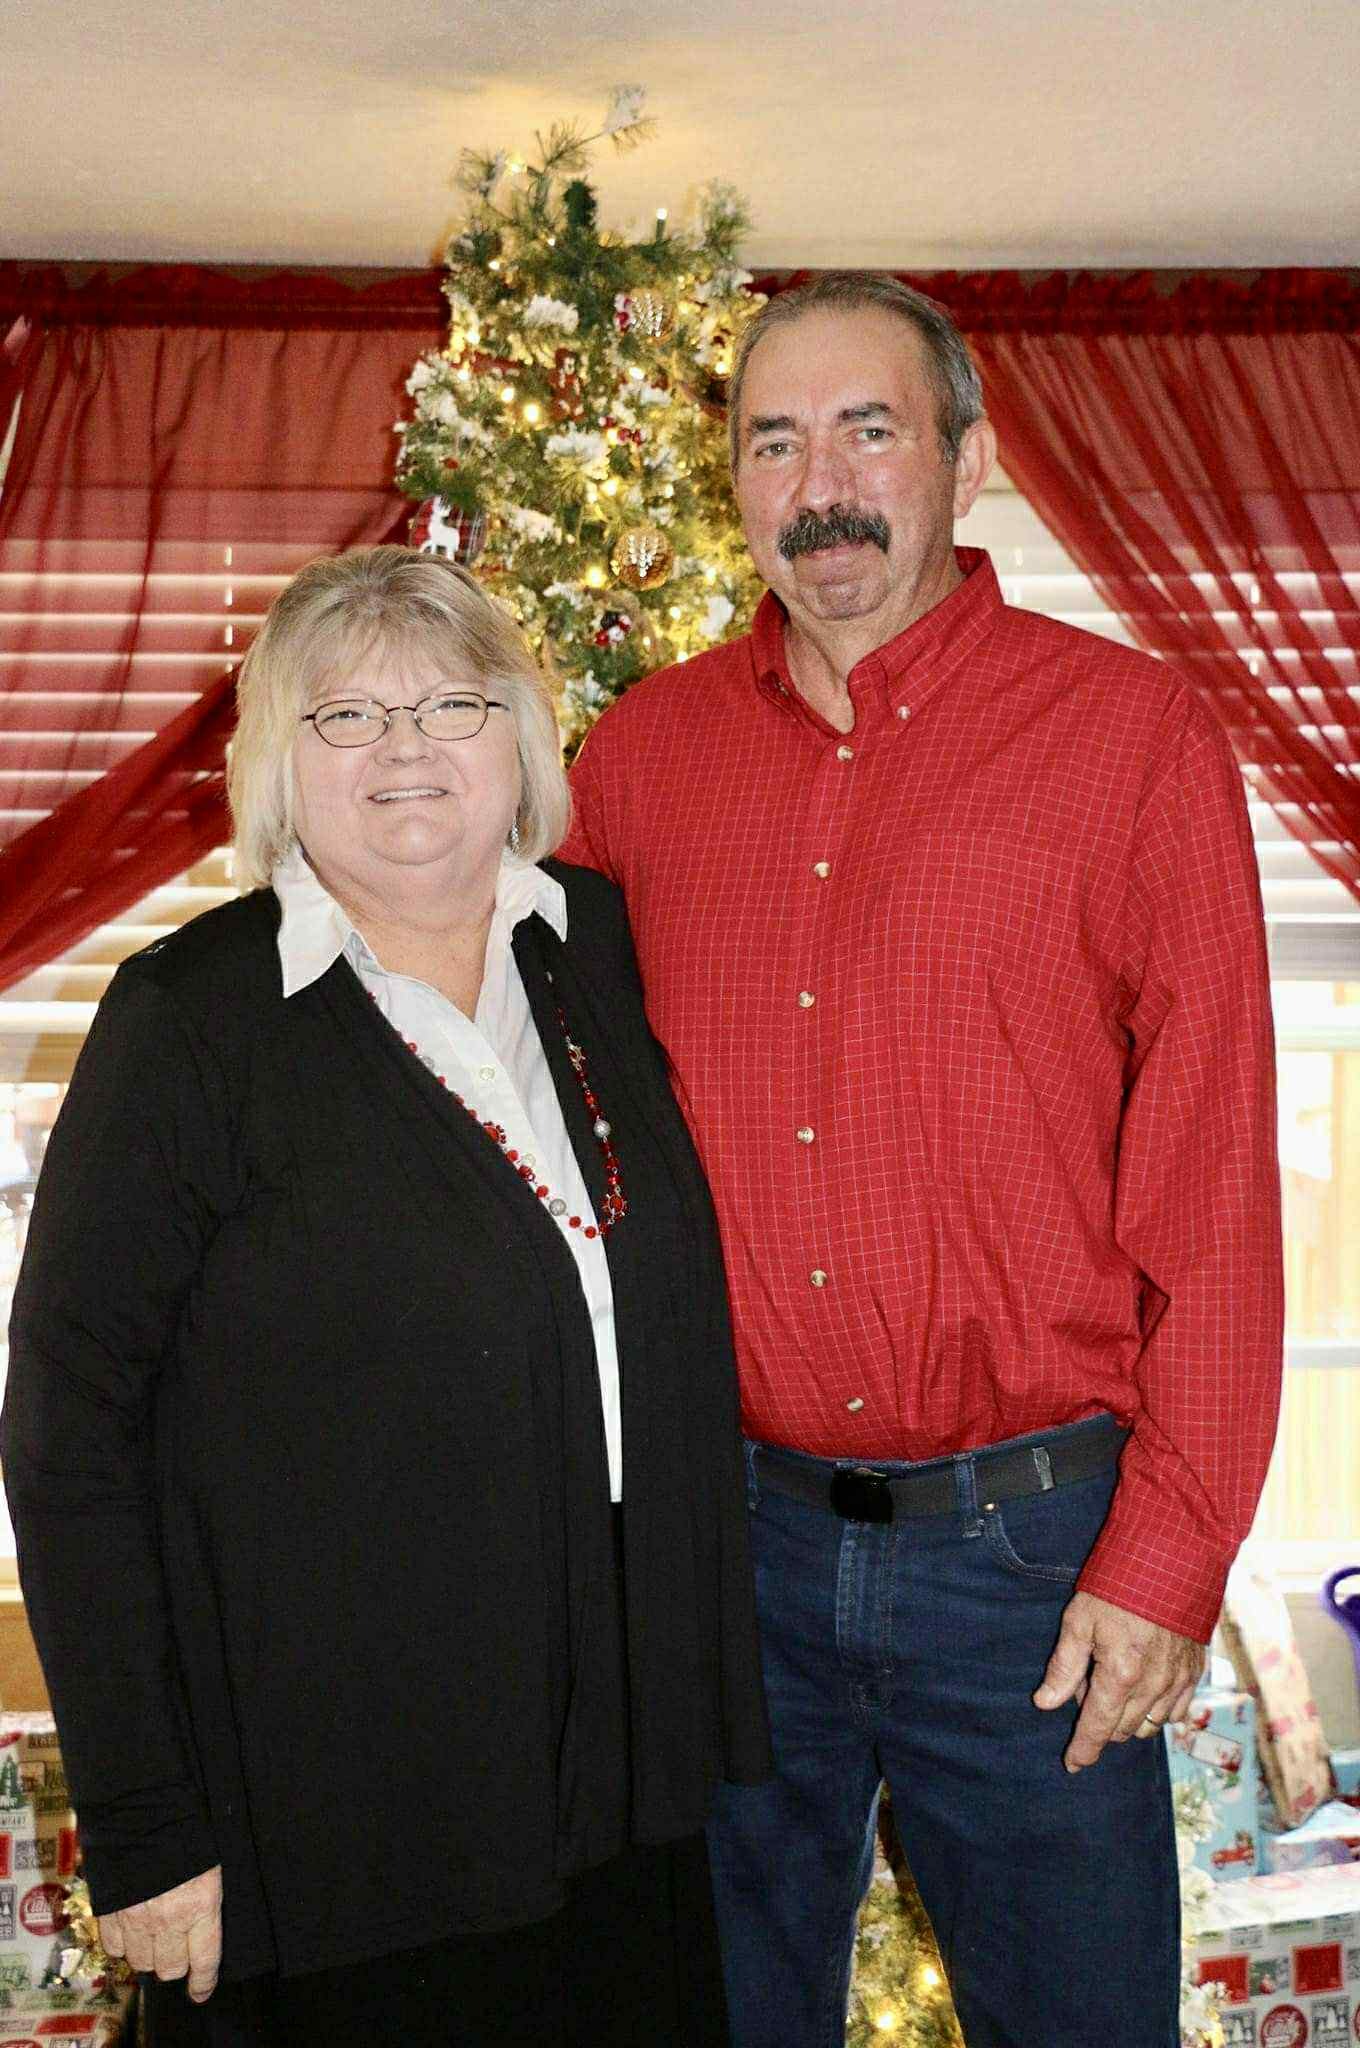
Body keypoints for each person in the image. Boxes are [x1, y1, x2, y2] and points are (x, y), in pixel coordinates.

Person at [561, 273, 1284, 2047]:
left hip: (1034, 1571)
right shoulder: (640, 762)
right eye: (773, 441)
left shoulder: (1131, 741)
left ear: (967, 464)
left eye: (868, 431)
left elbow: (1213, 1191)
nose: (819, 484)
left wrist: (1169, 1553)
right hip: (729, 1556)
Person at [1, 545, 771, 2048]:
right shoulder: (190, 1022)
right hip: (338, 1826)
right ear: (281, 765)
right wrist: (147, 1824)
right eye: (345, 715)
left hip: (619, 1801)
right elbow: (66, 1433)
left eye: (451, 706)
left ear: (519, 739)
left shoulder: (599, 956)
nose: (405, 748)